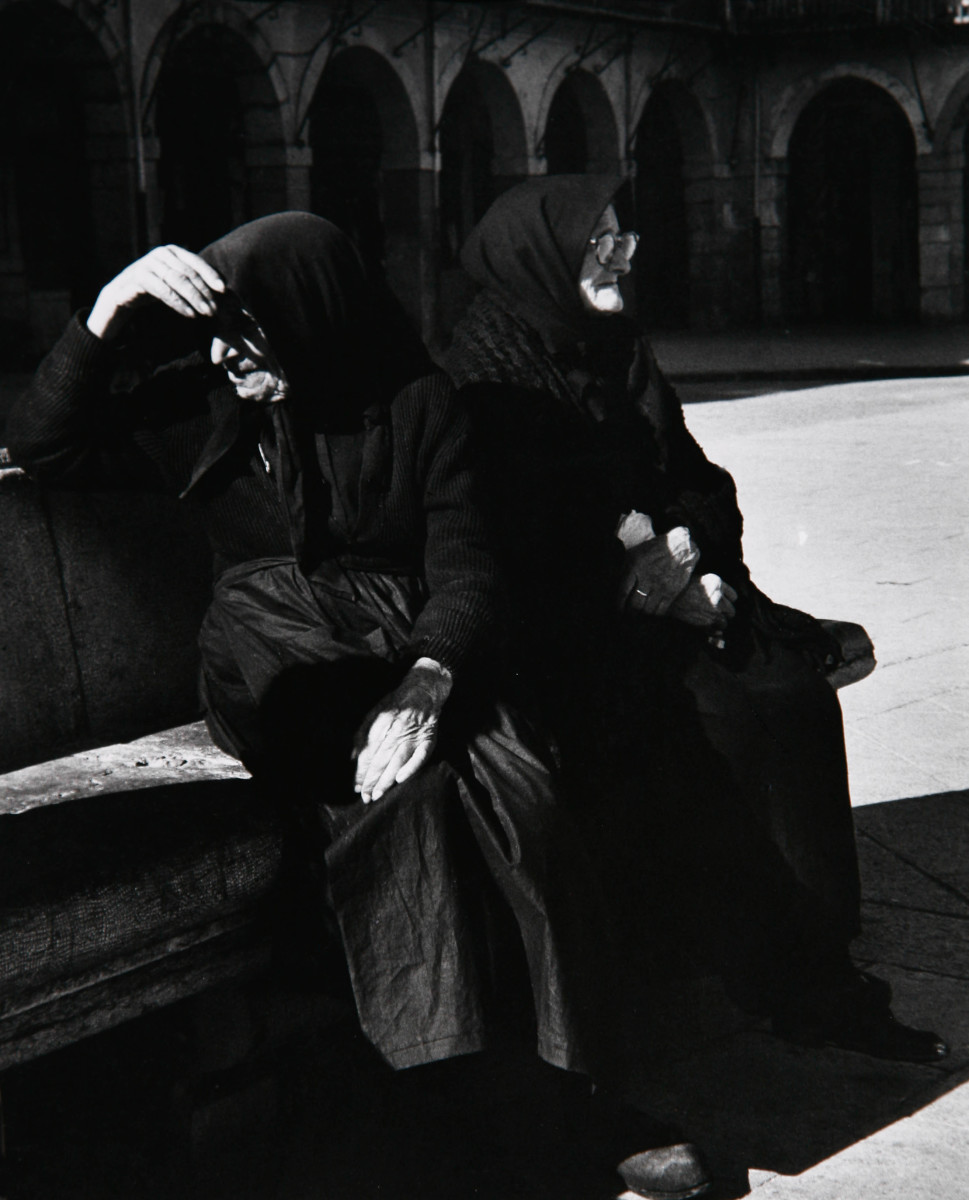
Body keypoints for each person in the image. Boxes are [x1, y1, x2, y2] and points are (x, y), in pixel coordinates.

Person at [7, 212, 713, 1199]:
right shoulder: (197, 406)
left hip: (408, 643)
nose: (225, 354)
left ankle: (575, 1092)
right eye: (217, 334)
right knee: (399, 808)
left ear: (311, 317)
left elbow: (465, 565)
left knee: (530, 801)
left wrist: (429, 680)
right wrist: (111, 307)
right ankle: (453, 1107)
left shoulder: (418, 402)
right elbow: (41, 443)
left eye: (247, 334)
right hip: (274, 653)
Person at [443, 175, 948, 1064]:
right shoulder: (481, 372)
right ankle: (744, 958)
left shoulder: (619, 347)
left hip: (666, 593)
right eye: (597, 243)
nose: (617, 259)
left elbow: (699, 478)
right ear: (543, 256)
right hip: (563, 628)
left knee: (786, 690)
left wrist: (688, 555)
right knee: (708, 720)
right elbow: (513, 538)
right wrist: (642, 585)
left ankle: (814, 951)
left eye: (619, 240)